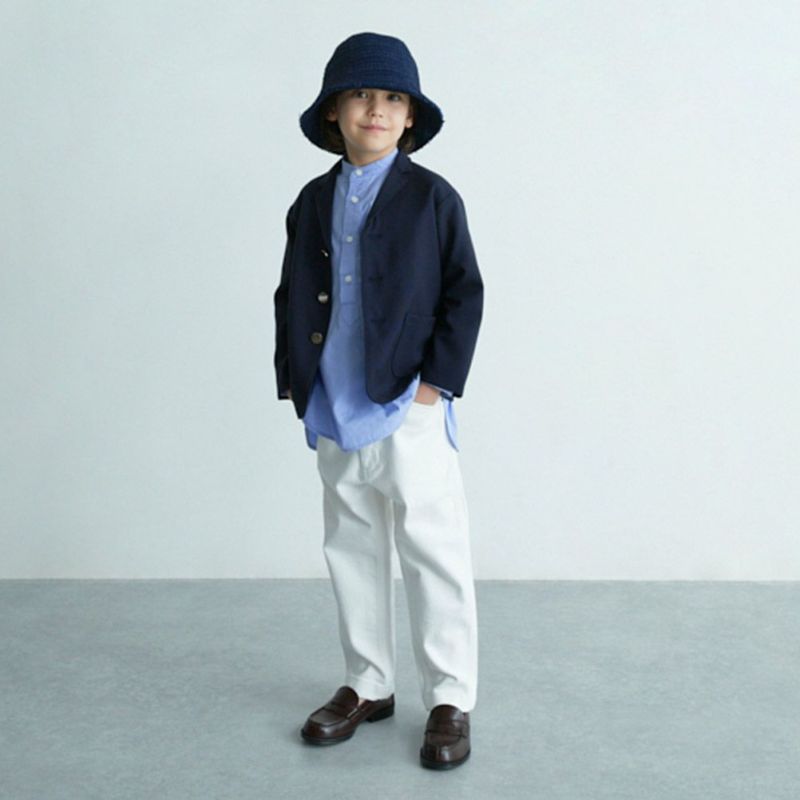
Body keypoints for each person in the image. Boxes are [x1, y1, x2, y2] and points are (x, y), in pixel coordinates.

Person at [273, 31, 484, 770]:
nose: (377, 109)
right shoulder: (312, 200)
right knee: (352, 543)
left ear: (410, 117)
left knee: (432, 547)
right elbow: (290, 293)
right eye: (361, 95)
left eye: (393, 98)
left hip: (408, 404)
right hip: (334, 402)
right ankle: (368, 681)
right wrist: (296, 380)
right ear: (334, 111)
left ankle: (450, 695)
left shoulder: (432, 198)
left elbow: (464, 292)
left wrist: (434, 386)